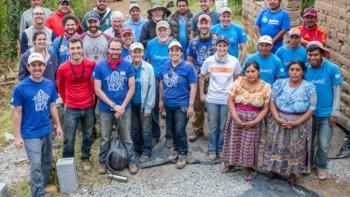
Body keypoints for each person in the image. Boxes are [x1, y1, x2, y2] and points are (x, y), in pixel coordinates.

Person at [12, 52, 62, 197]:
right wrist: (17, 136)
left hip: (46, 130)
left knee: (46, 162)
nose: (37, 68)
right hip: (30, 134)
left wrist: (58, 126)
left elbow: (52, 105)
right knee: (35, 166)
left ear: (44, 66)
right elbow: (17, 113)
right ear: (28, 67)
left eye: (40, 65)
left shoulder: (49, 84)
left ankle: (43, 184)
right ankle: (38, 194)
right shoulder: (20, 88)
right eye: (33, 65)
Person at [264, 61, 316, 185]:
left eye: (298, 70)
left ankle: (292, 173)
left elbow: (312, 108)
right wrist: (277, 117)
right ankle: (274, 169)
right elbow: (271, 101)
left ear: (303, 72)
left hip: (299, 123)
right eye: (292, 69)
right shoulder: (279, 84)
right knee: (276, 145)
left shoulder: (309, 87)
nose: (294, 72)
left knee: (295, 148)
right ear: (288, 71)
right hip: (279, 120)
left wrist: (297, 122)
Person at [93, 38, 138, 175]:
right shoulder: (100, 66)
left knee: (127, 137)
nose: (115, 52)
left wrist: (122, 106)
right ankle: (102, 162)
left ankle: (131, 161)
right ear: (108, 49)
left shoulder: (128, 66)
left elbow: (131, 88)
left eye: (118, 49)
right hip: (106, 109)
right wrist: (114, 106)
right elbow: (97, 90)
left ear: (121, 50)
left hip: (124, 107)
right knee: (105, 137)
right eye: (113, 49)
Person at [222, 62, 271, 181]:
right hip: (236, 116)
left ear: (258, 72)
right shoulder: (238, 82)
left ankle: (247, 167)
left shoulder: (266, 87)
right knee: (234, 140)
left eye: (253, 71)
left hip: (254, 119)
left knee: (249, 144)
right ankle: (231, 162)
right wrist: (236, 118)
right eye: (248, 71)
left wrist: (255, 121)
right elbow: (230, 101)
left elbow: (265, 108)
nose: (250, 74)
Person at [56, 38, 96, 172]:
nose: (76, 51)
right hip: (71, 108)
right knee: (69, 137)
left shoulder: (91, 64)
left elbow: (95, 81)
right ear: (68, 50)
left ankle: (85, 158)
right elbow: (60, 86)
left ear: (82, 49)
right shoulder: (62, 68)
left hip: (88, 105)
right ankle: (68, 162)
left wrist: (92, 95)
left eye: (78, 48)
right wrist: (66, 101)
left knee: (88, 134)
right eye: (72, 48)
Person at [304, 41, 343, 180]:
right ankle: (307, 165)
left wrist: (335, 112)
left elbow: (337, 91)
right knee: (308, 141)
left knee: (323, 143)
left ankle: (320, 166)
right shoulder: (305, 69)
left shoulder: (332, 68)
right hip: (309, 114)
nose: (312, 58)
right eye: (310, 55)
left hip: (326, 114)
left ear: (322, 55)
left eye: (315, 55)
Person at [200, 36, 242, 160]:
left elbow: (238, 78)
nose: (222, 48)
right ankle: (212, 149)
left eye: (224, 46)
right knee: (213, 126)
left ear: (228, 47)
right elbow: (201, 76)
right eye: (219, 45)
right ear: (215, 47)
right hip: (212, 98)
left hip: (226, 100)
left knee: (224, 126)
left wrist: (235, 95)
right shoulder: (209, 60)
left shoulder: (234, 61)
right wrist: (202, 94)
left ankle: (221, 148)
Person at [159, 41, 197, 169]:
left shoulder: (188, 67)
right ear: (168, 52)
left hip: (182, 104)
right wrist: (160, 100)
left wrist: (191, 105)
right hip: (169, 104)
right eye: (171, 50)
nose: (174, 52)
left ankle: (183, 153)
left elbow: (193, 86)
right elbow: (161, 84)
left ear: (181, 52)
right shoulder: (165, 66)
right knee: (171, 128)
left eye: (177, 50)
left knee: (180, 129)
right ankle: (175, 149)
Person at [186, 14, 216, 142]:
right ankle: (198, 130)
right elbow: (189, 61)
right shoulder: (193, 42)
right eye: (201, 23)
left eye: (206, 23)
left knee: (213, 107)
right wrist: (195, 75)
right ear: (198, 26)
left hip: (214, 78)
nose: (204, 26)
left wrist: (209, 73)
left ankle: (214, 133)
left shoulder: (217, 40)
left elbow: (221, 60)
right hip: (198, 77)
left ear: (210, 24)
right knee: (198, 107)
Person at [145, 20, 173, 146]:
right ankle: (155, 134)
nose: (162, 32)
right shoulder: (151, 44)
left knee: (170, 108)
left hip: (170, 78)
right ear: (156, 32)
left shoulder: (174, 43)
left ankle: (169, 135)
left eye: (164, 29)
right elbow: (148, 61)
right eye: (160, 30)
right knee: (154, 106)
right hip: (155, 78)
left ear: (169, 31)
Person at [129, 42, 156, 162]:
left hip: (144, 103)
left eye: (139, 51)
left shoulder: (148, 68)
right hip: (131, 104)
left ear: (143, 53)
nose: (137, 54)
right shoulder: (127, 66)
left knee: (146, 128)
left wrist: (149, 107)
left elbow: (151, 88)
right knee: (134, 128)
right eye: (134, 51)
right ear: (130, 53)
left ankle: (146, 151)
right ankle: (137, 148)